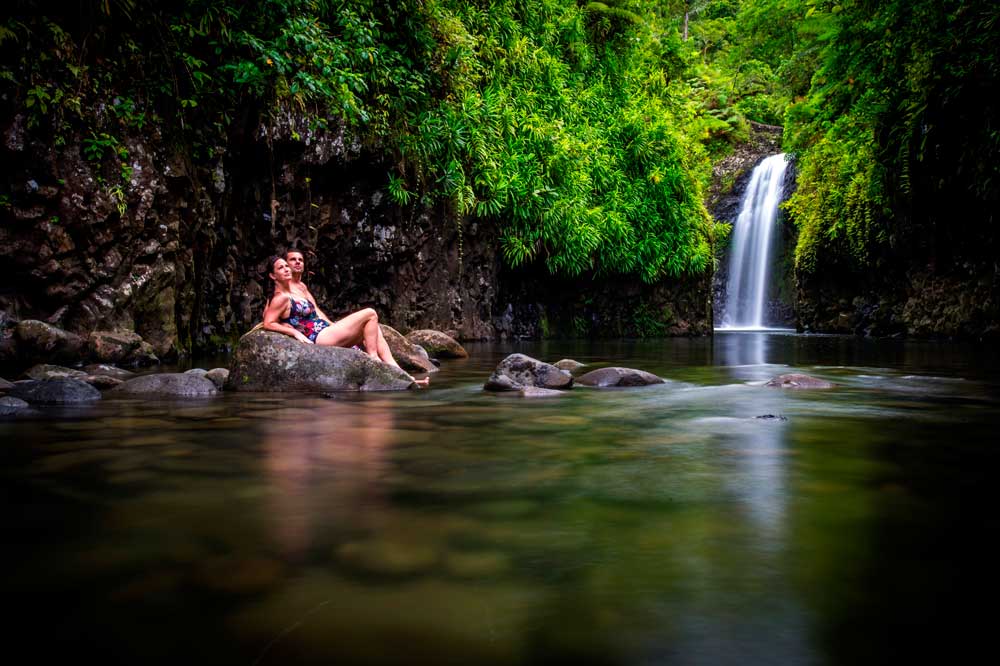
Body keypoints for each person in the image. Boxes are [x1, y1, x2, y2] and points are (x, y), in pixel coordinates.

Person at [262, 255, 429, 386]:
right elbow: (268, 322)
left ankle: (402, 374)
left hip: (325, 330)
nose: (286, 269)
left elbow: (315, 311)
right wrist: (293, 331)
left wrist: (330, 324)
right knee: (370, 313)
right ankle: (373, 359)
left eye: (286, 266)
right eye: (280, 267)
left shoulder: (296, 291)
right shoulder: (280, 298)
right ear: (272, 275)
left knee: (373, 328)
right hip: (319, 337)